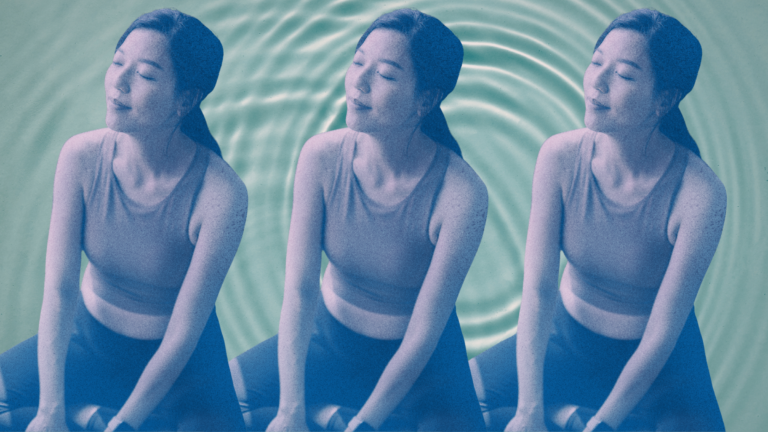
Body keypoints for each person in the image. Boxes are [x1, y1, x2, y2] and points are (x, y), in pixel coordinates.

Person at [229, 8, 487, 432]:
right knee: (224, 403)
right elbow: (298, 290)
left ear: (426, 99)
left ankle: (337, 416)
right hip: (327, 339)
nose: (359, 84)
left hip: (421, 366)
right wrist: (291, 409)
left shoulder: (461, 194)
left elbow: (424, 333)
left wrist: (366, 423)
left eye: (385, 75)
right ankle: (323, 413)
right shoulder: (322, 156)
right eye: (357, 63)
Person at [469, 9, 726, 432]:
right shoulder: (560, 156)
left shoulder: (700, 194)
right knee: (455, 403)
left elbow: (662, 333)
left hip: (660, 368)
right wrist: (529, 410)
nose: (597, 84)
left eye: (624, 75)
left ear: (665, 99)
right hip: (565, 340)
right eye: (596, 63)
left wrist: (604, 423)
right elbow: (537, 290)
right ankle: (562, 413)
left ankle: (577, 415)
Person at [0, 9, 247, 431]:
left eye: (147, 75)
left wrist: (127, 423)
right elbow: (59, 290)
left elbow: (184, 333)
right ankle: (86, 414)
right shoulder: (80, 157)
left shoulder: (220, 193)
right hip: (87, 339)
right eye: (118, 63)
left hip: (182, 368)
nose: (119, 82)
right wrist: (50, 410)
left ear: (185, 100)